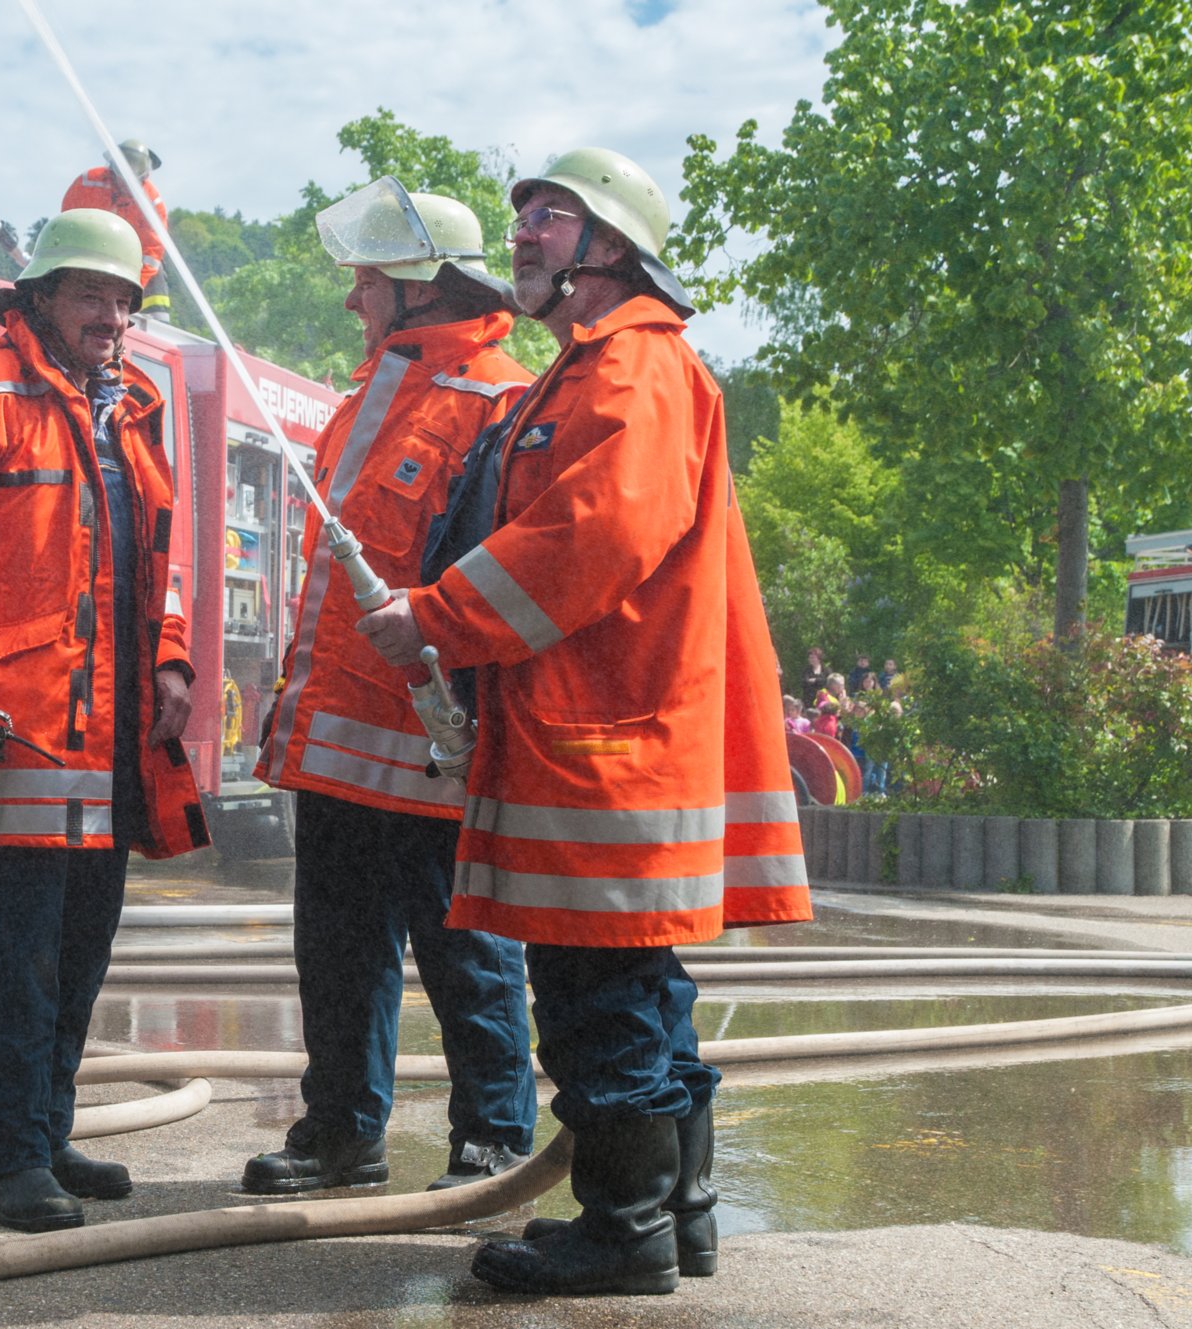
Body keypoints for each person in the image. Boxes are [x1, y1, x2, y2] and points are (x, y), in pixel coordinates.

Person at [354, 148, 813, 1297]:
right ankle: (671, 1216)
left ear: (609, 246)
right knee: (640, 995)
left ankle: (622, 1233)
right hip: (604, 740)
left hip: (603, 751)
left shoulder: (632, 372)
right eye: (522, 218)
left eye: (550, 218)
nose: (523, 235)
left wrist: (438, 620)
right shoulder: (593, 370)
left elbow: (587, 542)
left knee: (596, 1000)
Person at [0, 208, 207, 1233]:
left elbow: (164, 563)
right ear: (38, 300)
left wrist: (171, 657)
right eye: (89, 296)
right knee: (16, 955)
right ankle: (8, 1159)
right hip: (12, 731)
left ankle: (47, 1131)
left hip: (106, 736)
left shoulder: (134, 408)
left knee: (81, 948)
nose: (110, 315)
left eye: (123, 300)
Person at [246, 178, 537, 1195]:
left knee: (465, 950)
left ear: (421, 289)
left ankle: (492, 1140)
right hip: (337, 734)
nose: (349, 300)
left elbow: (498, 576)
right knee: (334, 948)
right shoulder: (372, 394)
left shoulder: (501, 403)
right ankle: (339, 1134)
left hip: (433, 734)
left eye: (366, 280)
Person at [62, 138, 171, 319]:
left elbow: (152, 254)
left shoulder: (151, 202)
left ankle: (158, 321)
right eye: (122, 178)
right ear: (112, 169)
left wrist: (130, 289)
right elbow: (67, 224)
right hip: (90, 253)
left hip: (133, 261)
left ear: (144, 177)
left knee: (157, 274)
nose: (126, 185)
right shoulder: (87, 183)